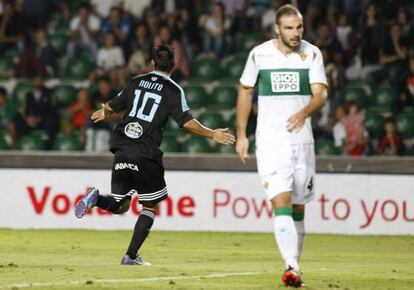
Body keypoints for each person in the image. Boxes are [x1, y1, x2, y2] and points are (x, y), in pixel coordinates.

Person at [75, 44, 235, 265]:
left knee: (121, 205)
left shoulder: (135, 82)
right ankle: (130, 256)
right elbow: (186, 122)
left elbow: (113, 107)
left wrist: (103, 113)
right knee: (150, 206)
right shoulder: (173, 90)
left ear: (151, 63)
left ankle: (96, 198)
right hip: (145, 152)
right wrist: (211, 133)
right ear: (174, 65)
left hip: (122, 148)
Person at [236, 4, 328, 287]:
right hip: (271, 142)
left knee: (298, 208)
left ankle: (294, 267)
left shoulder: (311, 53)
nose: (296, 33)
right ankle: (291, 266)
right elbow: (245, 91)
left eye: (299, 27)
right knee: (282, 202)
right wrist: (242, 134)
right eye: (289, 28)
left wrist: (304, 112)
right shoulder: (259, 55)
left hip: (302, 142)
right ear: (277, 28)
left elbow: (321, 94)